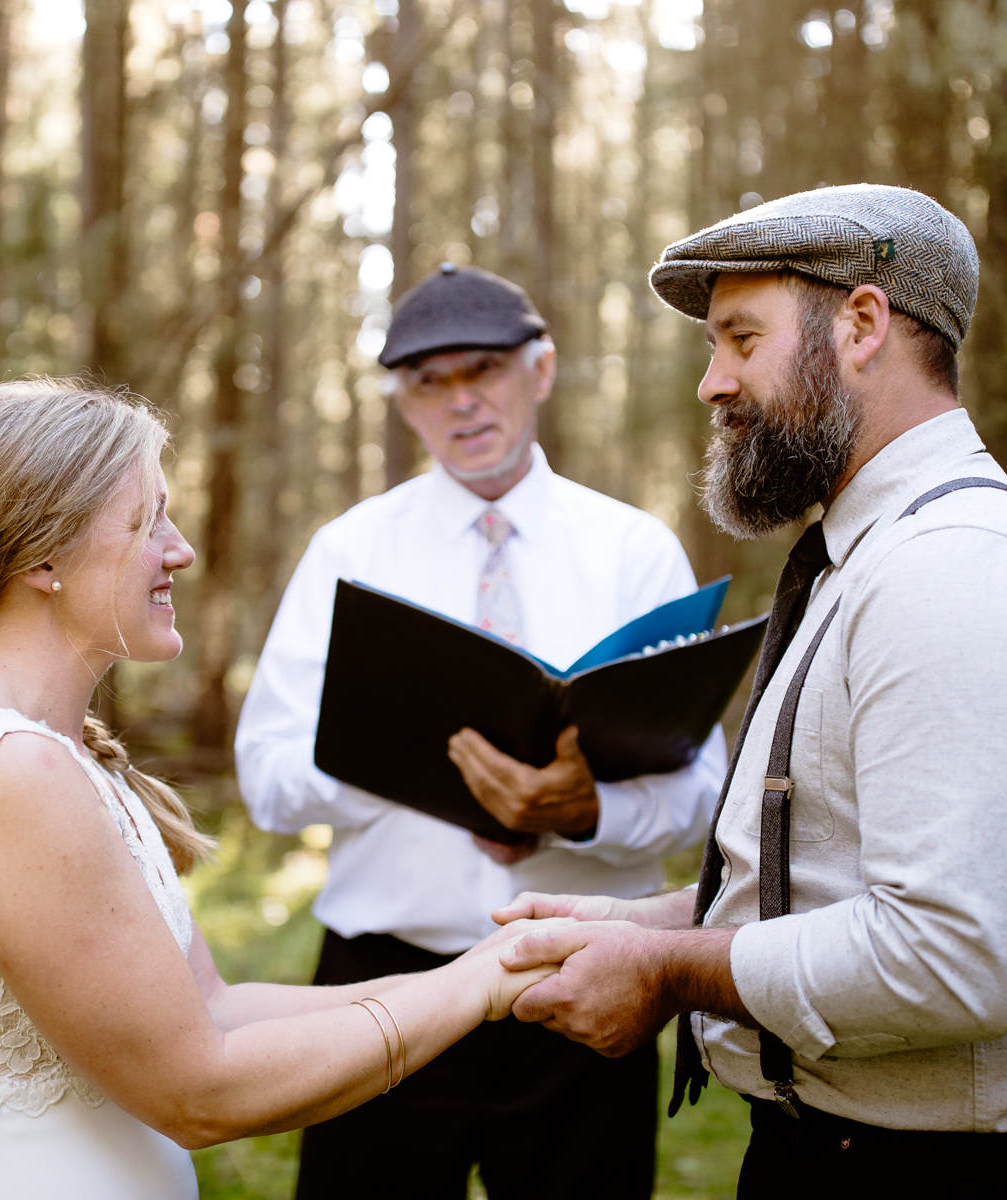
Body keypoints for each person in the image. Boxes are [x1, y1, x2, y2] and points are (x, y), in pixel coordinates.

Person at [495, 185, 1007, 1198]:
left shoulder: (957, 570)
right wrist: (646, 927)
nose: (712, 384)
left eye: (740, 339)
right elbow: (834, 876)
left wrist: (669, 974)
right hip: (828, 1154)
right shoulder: (870, 557)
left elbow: (954, 956)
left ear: (863, 324)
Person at [0, 378, 562, 1200]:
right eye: (148, 520)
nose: (180, 550)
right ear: (41, 554)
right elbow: (199, 1089)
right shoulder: (9, 772)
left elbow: (211, 1009)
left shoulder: (45, 752)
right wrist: (475, 988)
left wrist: (483, 971)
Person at [234, 262, 725, 1198]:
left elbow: (706, 795)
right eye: (430, 382)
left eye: (484, 371)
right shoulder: (350, 551)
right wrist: (410, 755)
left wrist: (587, 812)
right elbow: (266, 774)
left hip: (578, 980)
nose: (462, 403)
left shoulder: (633, 551)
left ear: (538, 371)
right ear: (401, 403)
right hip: (380, 986)